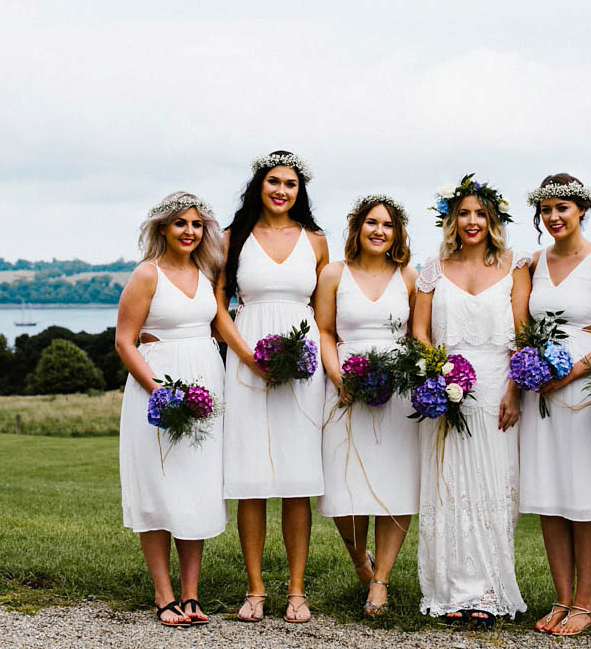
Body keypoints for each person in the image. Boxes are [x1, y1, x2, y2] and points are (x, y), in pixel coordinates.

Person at [213, 151, 328, 624]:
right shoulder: (232, 237)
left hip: (304, 366)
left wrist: (316, 360)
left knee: (297, 481)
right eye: (274, 182)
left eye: (291, 185)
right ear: (259, 185)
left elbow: (324, 313)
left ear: (300, 192)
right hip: (246, 363)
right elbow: (217, 305)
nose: (282, 191)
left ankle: (296, 591)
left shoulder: (317, 241)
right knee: (252, 480)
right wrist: (247, 356)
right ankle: (256, 589)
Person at [411, 174, 530, 627]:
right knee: (451, 488)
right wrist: (438, 373)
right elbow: (420, 332)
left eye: (481, 213)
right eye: (464, 212)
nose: (472, 221)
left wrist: (515, 389)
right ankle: (453, 590)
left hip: (499, 387)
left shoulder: (516, 265)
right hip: (448, 388)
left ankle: (486, 589)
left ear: (494, 218)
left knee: (494, 486)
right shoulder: (434, 269)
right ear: (451, 218)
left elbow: (521, 335)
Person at [519, 174, 591, 635]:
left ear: (581, 209)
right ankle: (561, 598)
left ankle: (585, 603)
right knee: (549, 494)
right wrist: (533, 367)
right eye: (546, 210)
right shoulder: (532, 263)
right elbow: (522, 327)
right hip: (541, 391)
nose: (554, 217)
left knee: (583, 497)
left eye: (562, 208)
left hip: (581, 389)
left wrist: (575, 371)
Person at [116, 191, 227, 627]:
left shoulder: (207, 269)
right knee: (159, 486)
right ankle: (164, 594)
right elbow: (125, 340)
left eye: (197, 224)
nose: (190, 232)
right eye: (181, 223)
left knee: (197, 486)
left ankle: (191, 593)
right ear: (163, 227)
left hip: (206, 384)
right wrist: (159, 391)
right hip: (158, 389)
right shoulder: (147, 274)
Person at [316, 195, 419, 616]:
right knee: (344, 483)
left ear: (397, 233)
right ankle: (361, 561)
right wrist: (340, 377)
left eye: (388, 225)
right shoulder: (334, 274)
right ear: (357, 228)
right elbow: (323, 330)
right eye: (372, 223)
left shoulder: (409, 277)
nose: (380, 231)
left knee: (395, 484)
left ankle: (382, 581)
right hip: (346, 387)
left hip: (398, 392)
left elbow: (417, 336)